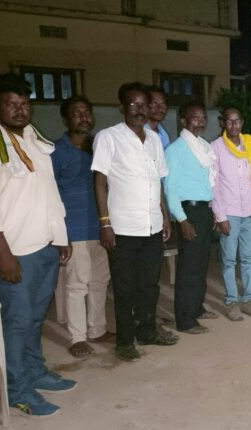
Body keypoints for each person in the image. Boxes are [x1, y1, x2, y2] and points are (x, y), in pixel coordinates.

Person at [0, 73, 74, 417]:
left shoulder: (34, 140)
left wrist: (60, 237)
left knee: (34, 319)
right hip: (14, 252)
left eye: (24, 104)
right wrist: (4, 256)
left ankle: (35, 372)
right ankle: (18, 391)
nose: (20, 110)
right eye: (11, 104)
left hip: (44, 246)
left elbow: (49, 193)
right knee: (17, 323)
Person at [92, 82, 176, 363]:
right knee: (125, 287)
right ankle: (125, 341)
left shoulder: (154, 139)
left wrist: (165, 216)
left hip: (152, 226)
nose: (140, 110)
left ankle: (147, 331)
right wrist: (105, 223)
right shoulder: (108, 137)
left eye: (144, 105)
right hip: (123, 228)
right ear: (122, 107)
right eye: (133, 104)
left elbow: (158, 181)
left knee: (149, 285)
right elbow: (100, 182)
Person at [51, 96, 113, 358]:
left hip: (101, 226)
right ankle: (77, 337)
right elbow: (49, 194)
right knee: (77, 284)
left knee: (100, 280)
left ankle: (97, 329)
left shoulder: (98, 147)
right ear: (66, 120)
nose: (84, 118)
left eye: (87, 113)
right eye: (77, 114)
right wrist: (59, 232)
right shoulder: (56, 151)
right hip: (74, 229)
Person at [164, 101, 218, 334]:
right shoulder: (175, 150)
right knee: (188, 268)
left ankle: (196, 307)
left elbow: (206, 183)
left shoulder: (203, 147)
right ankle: (185, 319)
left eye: (203, 117)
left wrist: (211, 210)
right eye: (195, 118)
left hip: (204, 210)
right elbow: (170, 189)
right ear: (184, 121)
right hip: (189, 212)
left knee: (201, 264)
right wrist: (182, 219)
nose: (200, 122)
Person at [211, 107, 251, 321]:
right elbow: (213, 185)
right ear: (223, 123)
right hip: (229, 212)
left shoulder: (250, 144)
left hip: (250, 211)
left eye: (237, 121)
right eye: (229, 121)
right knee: (229, 260)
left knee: (249, 258)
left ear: (242, 122)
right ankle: (231, 301)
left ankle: (248, 299)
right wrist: (220, 216)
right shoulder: (215, 147)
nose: (234, 125)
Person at [145, 85, 171, 150]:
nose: (160, 108)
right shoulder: (138, 132)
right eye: (154, 103)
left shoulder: (163, 134)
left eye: (163, 104)